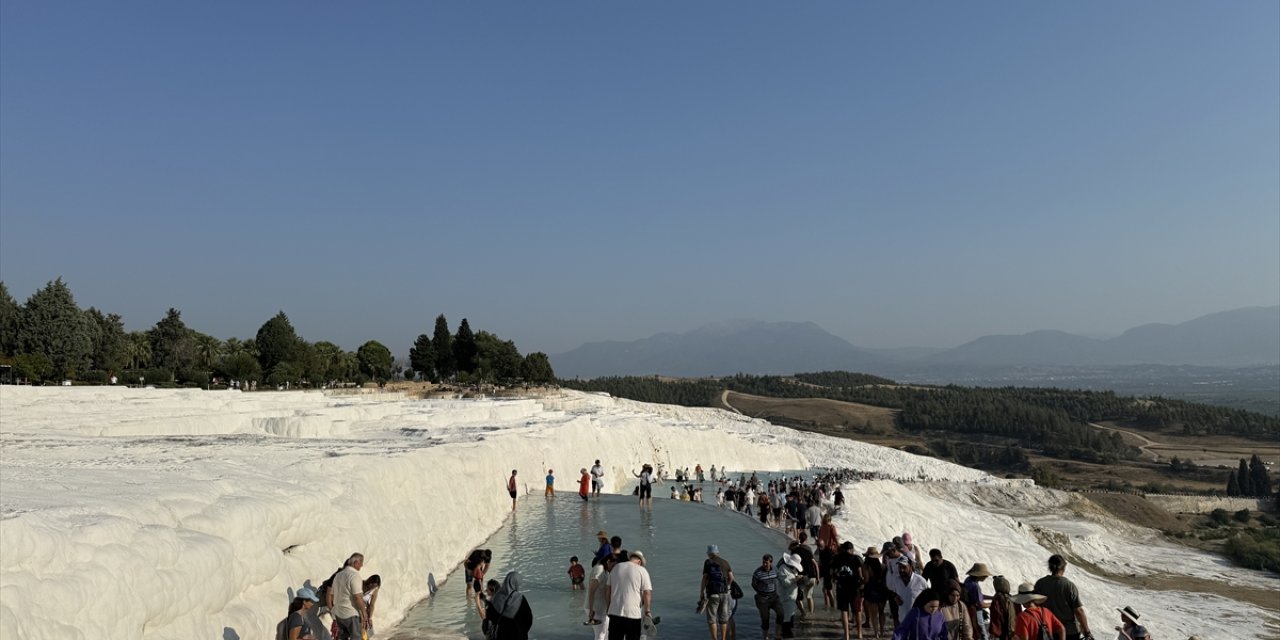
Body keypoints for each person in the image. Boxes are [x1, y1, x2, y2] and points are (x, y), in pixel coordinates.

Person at [1033, 555, 1093, 640]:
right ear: (1063, 567)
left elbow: (1035, 607)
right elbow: (1078, 611)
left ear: (1050, 567)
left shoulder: (1040, 584)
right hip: (1069, 631)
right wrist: (1087, 632)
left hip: (1048, 630)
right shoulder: (1069, 585)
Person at [607, 550, 654, 640]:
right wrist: (647, 611)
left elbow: (608, 589)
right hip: (633, 615)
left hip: (614, 612)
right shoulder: (642, 570)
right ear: (639, 561)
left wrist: (608, 606)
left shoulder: (616, 567)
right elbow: (647, 593)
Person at [331, 552, 369, 640]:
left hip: (339, 613)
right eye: (361, 562)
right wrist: (364, 612)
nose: (362, 565)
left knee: (343, 637)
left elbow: (332, 594)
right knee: (356, 637)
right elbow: (357, 597)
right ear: (356, 563)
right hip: (351, 613)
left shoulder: (338, 575)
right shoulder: (354, 576)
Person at [701, 544, 736, 640]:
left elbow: (704, 578)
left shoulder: (708, 562)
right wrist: (727, 586)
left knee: (712, 619)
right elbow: (731, 578)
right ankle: (723, 638)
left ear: (709, 553)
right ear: (717, 552)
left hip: (712, 594)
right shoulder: (725, 562)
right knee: (723, 619)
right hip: (725, 594)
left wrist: (701, 593)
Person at [491, 571, 534, 640]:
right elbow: (528, 618)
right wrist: (523, 631)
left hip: (500, 634)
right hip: (517, 634)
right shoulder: (520, 598)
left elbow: (492, 616)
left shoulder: (497, 596)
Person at [752, 554, 784, 640]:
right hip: (762, 599)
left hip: (774, 596)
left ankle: (777, 634)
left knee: (781, 614)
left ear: (771, 562)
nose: (764, 564)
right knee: (765, 619)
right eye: (763, 562)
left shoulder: (775, 570)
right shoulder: (757, 572)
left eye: (766, 563)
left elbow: (779, 578)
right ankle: (765, 637)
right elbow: (753, 584)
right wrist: (761, 592)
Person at [888, 558, 928, 625]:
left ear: (911, 567)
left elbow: (928, 597)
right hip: (902, 620)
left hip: (918, 620)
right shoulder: (895, 580)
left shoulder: (920, 581)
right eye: (899, 567)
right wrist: (895, 597)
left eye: (904, 567)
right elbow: (892, 592)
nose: (901, 570)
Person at [862, 547, 888, 640]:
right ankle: (882, 631)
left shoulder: (866, 566)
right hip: (882, 590)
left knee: (874, 614)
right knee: (881, 612)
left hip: (872, 589)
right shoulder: (883, 566)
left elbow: (866, 580)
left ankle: (876, 633)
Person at [789, 537, 818, 617]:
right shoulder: (807, 551)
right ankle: (811, 614)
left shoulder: (794, 553)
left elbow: (793, 567)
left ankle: (803, 613)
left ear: (793, 547)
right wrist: (817, 577)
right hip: (812, 576)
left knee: (797, 597)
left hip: (804, 576)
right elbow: (815, 564)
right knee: (809, 596)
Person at [962, 563, 992, 639]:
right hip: (976, 612)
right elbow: (981, 604)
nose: (986, 577)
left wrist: (992, 597)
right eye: (984, 575)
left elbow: (980, 596)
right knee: (982, 634)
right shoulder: (974, 586)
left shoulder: (968, 580)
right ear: (979, 575)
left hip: (968, 610)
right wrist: (992, 604)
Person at [776, 553, 803, 639]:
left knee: (790, 615)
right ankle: (784, 633)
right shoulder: (782, 569)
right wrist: (795, 579)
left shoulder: (793, 569)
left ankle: (786, 632)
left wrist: (798, 579)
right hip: (785, 597)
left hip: (792, 597)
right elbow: (785, 584)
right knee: (786, 617)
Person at [589, 555, 617, 633]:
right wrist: (591, 610)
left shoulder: (605, 571)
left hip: (602, 608)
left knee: (605, 634)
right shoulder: (600, 569)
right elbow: (591, 590)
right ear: (608, 562)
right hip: (596, 609)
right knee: (601, 634)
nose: (614, 568)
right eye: (613, 565)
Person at [988, 576, 1019, 640]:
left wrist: (994, 633)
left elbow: (996, 619)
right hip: (1014, 634)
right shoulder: (1014, 600)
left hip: (1003, 635)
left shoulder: (997, 600)